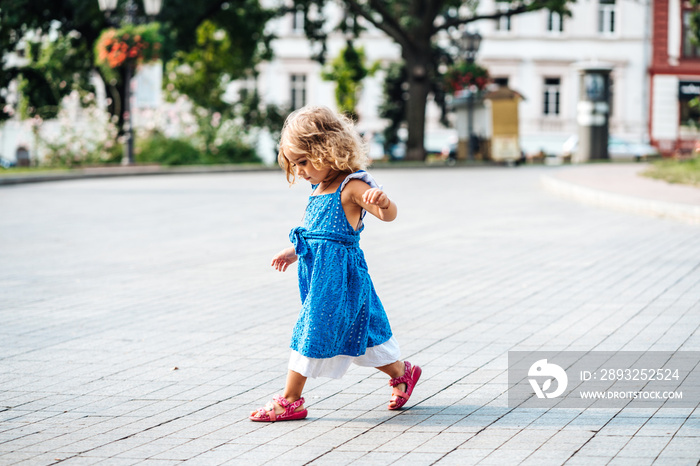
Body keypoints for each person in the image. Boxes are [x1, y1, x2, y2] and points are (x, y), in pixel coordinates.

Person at [250, 106, 422, 422]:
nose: (300, 170)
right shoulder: (319, 188)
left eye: (303, 161)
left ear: (328, 150)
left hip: (341, 280)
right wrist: (293, 251)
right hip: (320, 277)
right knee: (360, 337)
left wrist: (383, 204)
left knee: (312, 328)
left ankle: (290, 399)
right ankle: (402, 372)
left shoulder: (351, 185)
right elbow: (319, 235)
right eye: (294, 163)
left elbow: (387, 214)